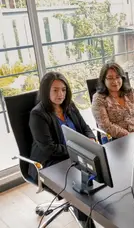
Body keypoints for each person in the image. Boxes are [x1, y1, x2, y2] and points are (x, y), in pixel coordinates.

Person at [28, 72, 96, 228]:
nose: (61, 94)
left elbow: (85, 128)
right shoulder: (38, 114)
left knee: (101, 172)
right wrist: (78, 150)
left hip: (73, 155)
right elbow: (49, 149)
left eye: (63, 90)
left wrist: (90, 139)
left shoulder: (69, 106)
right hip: (49, 163)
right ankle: (86, 223)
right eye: (55, 90)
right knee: (79, 185)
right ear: (46, 91)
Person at [92, 63, 134, 139]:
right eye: (110, 78)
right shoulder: (98, 98)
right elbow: (105, 125)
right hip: (115, 139)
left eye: (117, 77)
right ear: (103, 80)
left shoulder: (130, 91)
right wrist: (128, 135)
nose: (115, 81)